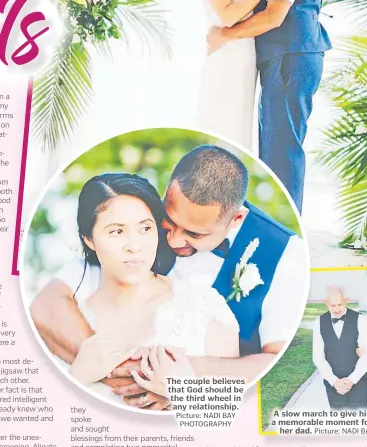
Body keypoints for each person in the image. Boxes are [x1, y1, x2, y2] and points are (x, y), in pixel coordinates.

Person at [30, 145, 308, 411]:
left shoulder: (285, 255)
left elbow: (278, 365)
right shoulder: (131, 227)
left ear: (236, 220)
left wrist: (184, 384)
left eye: (194, 234)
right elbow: (47, 305)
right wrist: (110, 370)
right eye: (170, 223)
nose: (173, 240)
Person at [31, 172, 239, 408]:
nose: (134, 246)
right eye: (117, 231)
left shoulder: (205, 310)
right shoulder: (65, 319)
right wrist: (76, 377)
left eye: (145, 228)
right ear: (89, 238)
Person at [207, 0, 332, 213]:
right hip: (287, 57)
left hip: (291, 57)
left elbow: (275, 15)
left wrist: (225, 35)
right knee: (276, 147)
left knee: (282, 149)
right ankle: (278, 225)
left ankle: (287, 232)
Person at [195, 0, 277, 150]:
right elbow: (228, 16)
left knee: (239, 126)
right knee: (224, 123)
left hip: (244, 61)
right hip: (227, 60)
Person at [313, 285, 367, 410]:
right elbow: (318, 357)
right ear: (326, 303)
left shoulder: (360, 320)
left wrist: (352, 380)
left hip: (358, 381)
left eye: (340, 304)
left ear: (346, 300)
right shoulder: (318, 323)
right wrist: (334, 381)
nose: (337, 309)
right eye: (333, 306)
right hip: (333, 384)